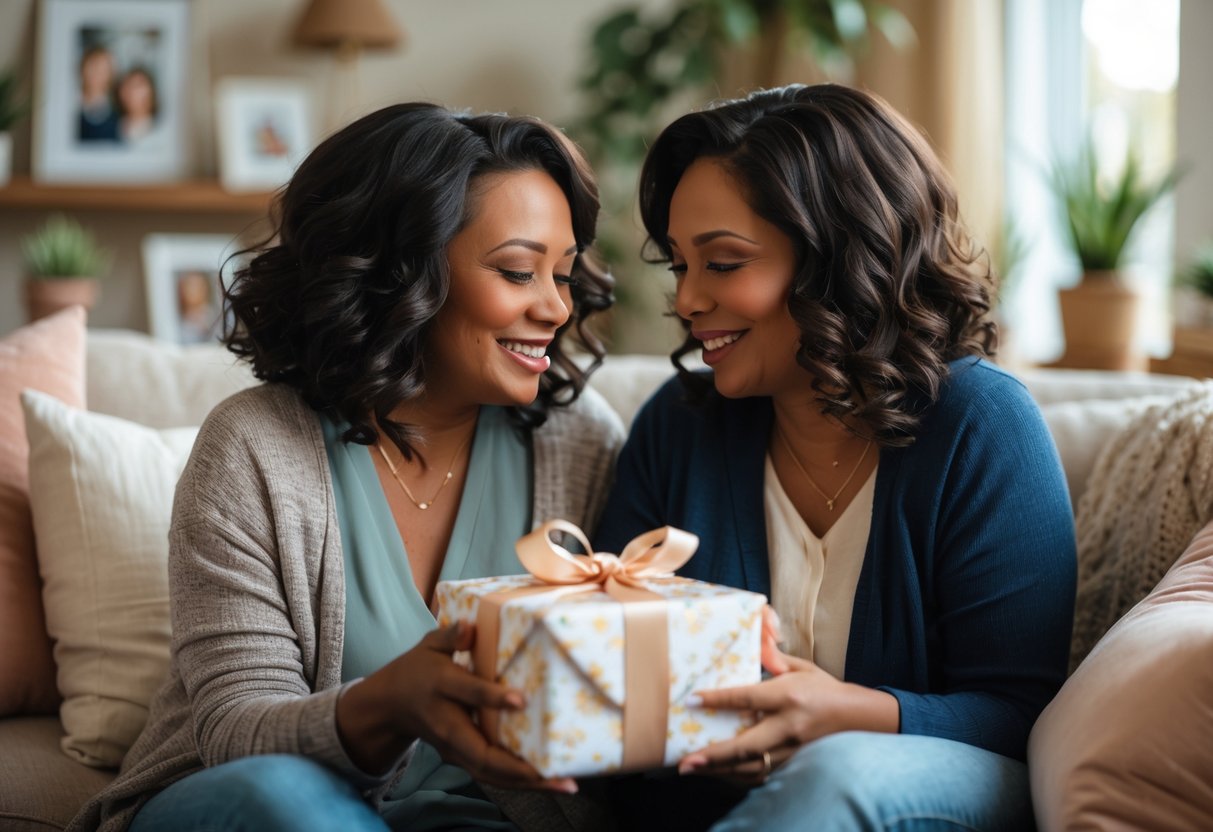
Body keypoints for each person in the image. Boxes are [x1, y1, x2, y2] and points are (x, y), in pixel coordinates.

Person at [69, 103, 624, 832]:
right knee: (285, 801)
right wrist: (391, 702)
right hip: (257, 804)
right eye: (519, 271)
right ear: (401, 271)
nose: (555, 306)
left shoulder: (580, 445)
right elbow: (236, 734)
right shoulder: (256, 447)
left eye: (562, 272)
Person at [595, 83, 1076, 830]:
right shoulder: (677, 425)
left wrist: (851, 715)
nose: (686, 299)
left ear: (838, 259)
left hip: (926, 795)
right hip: (707, 807)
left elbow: (1022, 714)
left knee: (837, 772)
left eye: (722, 263)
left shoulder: (982, 426)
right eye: (678, 265)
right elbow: (608, 662)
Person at [77, 45, 119, 142]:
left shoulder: (118, 109)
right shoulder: (69, 106)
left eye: (103, 68)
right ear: (82, 68)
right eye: (94, 65)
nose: (97, 73)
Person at [115, 66, 157, 144]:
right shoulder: (112, 126)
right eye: (127, 85)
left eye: (137, 85)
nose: (130, 91)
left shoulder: (159, 128)